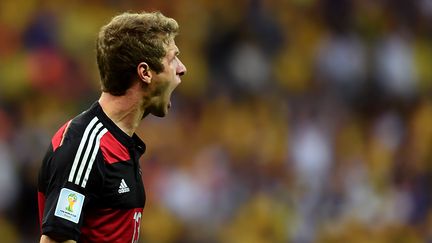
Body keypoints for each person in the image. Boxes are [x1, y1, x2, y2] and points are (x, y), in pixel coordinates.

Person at [37, 11, 186, 243]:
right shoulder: (85, 144)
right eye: (173, 59)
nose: (181, 68)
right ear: (145, 72)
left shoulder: (121, 142)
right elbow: (55, 239)